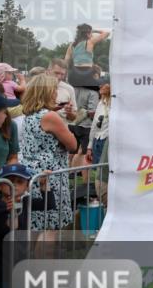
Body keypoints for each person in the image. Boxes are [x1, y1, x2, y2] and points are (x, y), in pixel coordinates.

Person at [19, 74, 77, 231]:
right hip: (50, 175)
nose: (56, 93)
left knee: (36, 223)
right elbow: (73, 145)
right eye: (54, 89)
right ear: (47, 92)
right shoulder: (50, 116)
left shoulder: (29, 114)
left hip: (31, 172)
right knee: (51, 225)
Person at [64, 24, 110, 88]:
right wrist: (94, 30)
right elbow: (107, 33)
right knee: (107, 80)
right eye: (91, 33)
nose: (92, 35)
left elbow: (66, 62)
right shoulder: (90, 42)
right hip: (86, 75)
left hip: (74, 76)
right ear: (87, 34)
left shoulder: (71, 45)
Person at [47, 59, 78, 124]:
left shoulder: (69, 89)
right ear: (48, 71)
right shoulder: (38, 88)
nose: (59, 77)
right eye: (56, 73)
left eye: (62, 74)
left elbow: (74, 117)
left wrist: (69, 112)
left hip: (62, 128)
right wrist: (51, 109)